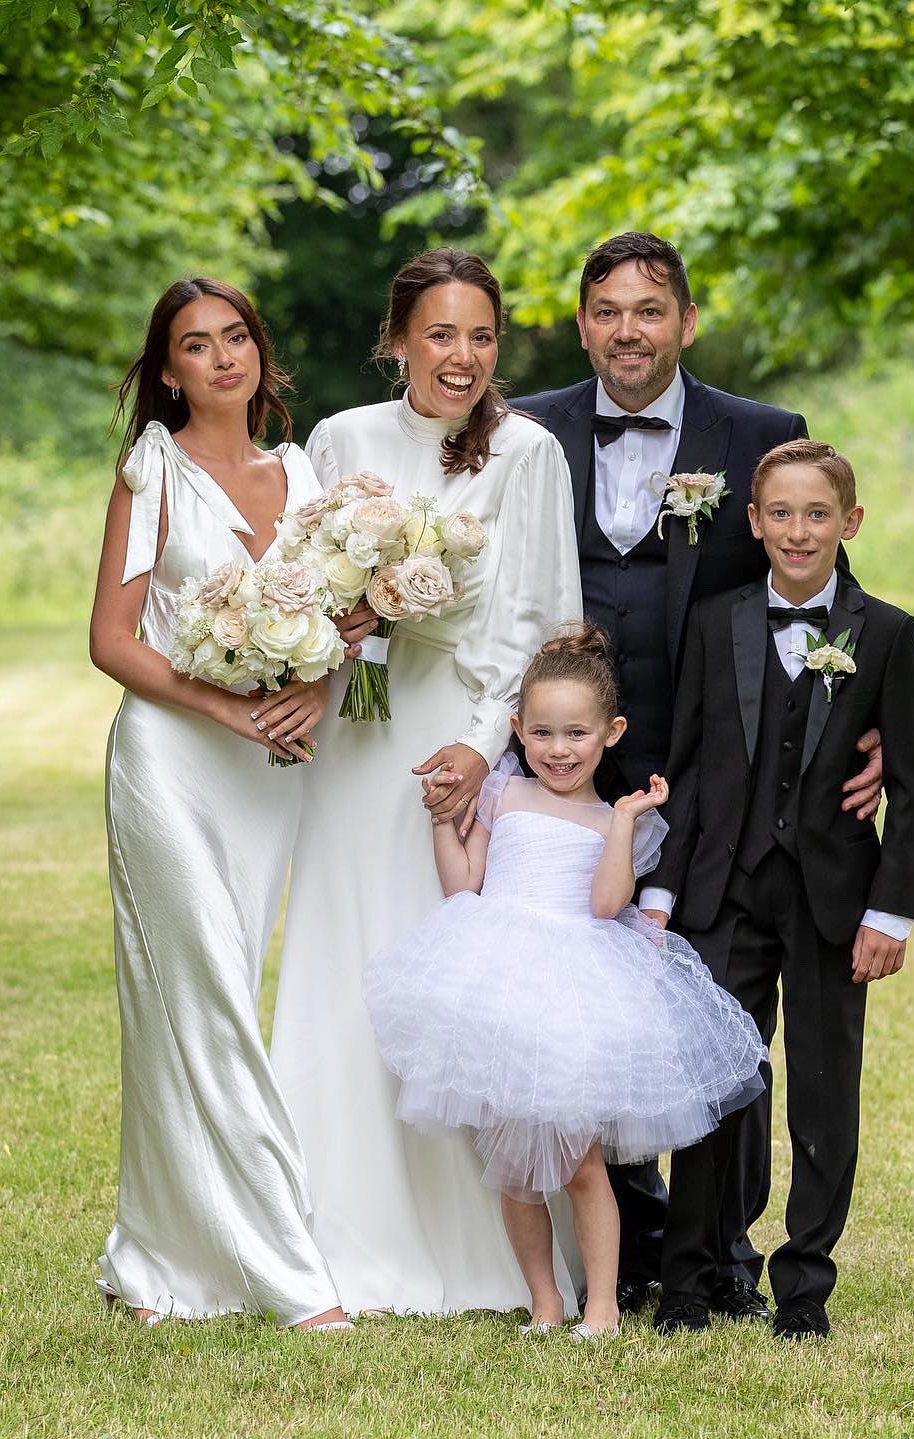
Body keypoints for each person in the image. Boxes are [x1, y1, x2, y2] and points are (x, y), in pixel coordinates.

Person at [512, 230, 885, 1318]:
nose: (629, 331)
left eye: (650, 310)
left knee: (713, 1017)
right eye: (608, 312)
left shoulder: (761, 438)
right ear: (583, 324)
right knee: (577, 1006)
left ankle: (716, 1253)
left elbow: (827, 598)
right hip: (561, 767)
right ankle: (625, 1246)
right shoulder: (528, 430)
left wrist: (855, 731)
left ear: (684, 320)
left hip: (716, 775)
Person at [269, 249, 585, 1316]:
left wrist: (487, 744)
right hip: (357, 740)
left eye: (483, 337)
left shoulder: (530, 452)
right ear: (397, 339)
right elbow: (294, 581)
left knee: (456, 978)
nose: (463, 357)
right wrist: (341, 625)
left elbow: (549, 617)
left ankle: (488, 1252)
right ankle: (330, 1230)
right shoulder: (341, 439)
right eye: (441, 334)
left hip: (460, 736)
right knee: (345, 957)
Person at [362, 624, 766, 1340]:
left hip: (577, 987)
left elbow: (608, 906)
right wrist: (440, 830)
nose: (558, 749)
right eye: (542, 732)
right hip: (502, 982)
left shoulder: (616, 818)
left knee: (582, 1164)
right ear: (517, 730)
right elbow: (465, 890)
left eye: (576, 733)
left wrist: (623, 822)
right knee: (514, 1168)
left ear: (610, 733)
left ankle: (603, 1306)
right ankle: (545, 1300)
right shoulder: (504, 796)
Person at [88, 277, 350, 1331]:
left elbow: (343, 617)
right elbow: (110, 640)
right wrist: (224, 709)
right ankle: (293, 1278)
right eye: (196, 346)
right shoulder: (151, 470)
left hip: (269, 780)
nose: (223, 358)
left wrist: (314, 687)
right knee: (209, 1000)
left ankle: (152, 1257)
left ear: (258, 352)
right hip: (171, 761)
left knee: (197, 1000)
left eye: (235, 337)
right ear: (169, 372)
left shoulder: (305, 472)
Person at [645, 439, 914, 1340]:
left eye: (818, 515)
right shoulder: (717, 620)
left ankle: (804, 1285)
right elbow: (687, 768)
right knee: (714, 1081)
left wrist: (890, 911)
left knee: (820, 1086)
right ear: (753, 521)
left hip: (832, 901)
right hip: (722, 889)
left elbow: (913, 786)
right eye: (780, 513)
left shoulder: (885, 633)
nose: (798, 531)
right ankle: (690, 1278)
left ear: (849, 524)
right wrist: (661, 893)